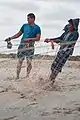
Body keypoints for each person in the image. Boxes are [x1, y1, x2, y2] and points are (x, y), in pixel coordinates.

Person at [5, 13, 41, 79]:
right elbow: (18, 34)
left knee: (29, 62)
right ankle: (17, 77)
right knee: (20, 61)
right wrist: (10, 38)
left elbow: (38, 38)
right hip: (22, 45)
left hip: (30, 46)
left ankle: (27, 76)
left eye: (28, 19)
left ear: (33, 19)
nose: (27, 20)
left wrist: (29, 39)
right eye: (27, 18)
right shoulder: (24, 25)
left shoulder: (37, 28)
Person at [44, 18, 79, 85]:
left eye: (71, 24)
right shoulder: (67, 32)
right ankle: (51, 80)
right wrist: (50, 40)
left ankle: (51, 82)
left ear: (74, 26)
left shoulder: (75, 33)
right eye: (69, 24)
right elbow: (60, 38)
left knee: (57, 67)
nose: (69, 26)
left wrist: (60, 41)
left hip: (65, 53)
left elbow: (69, 43)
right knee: (54, 66)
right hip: (61, 51)